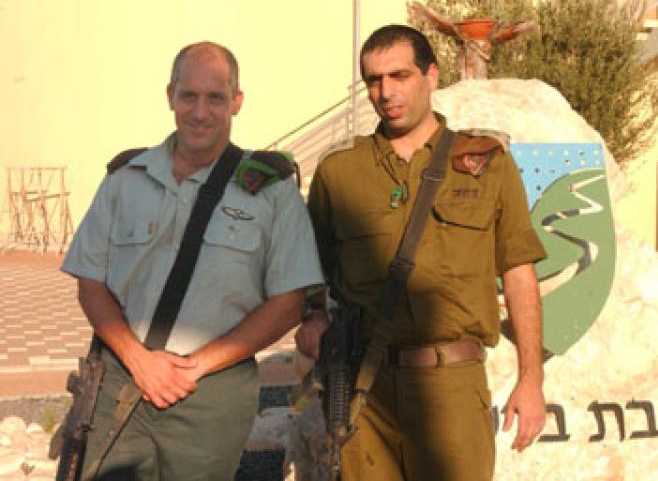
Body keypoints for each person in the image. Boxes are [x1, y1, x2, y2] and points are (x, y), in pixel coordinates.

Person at [62, 41, 323, 480]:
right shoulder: (125, 179)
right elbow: (90, 283)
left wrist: (195, 366)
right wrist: (139, 360)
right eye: (189, 96)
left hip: (210, 395)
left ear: (237, 101)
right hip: (121, 383)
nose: (200, 112)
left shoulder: (273, 192)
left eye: (215, 98)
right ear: (170, 96)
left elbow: (288, 303)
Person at [296, 25, 547, 480]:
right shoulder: (339, 172)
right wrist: (313, 315)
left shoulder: (487, 163)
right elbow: (311, 268)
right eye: (374, 80)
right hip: (365, 387)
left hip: (452, 385)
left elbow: (518, 273)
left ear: (431, 76)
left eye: (400, 75)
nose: (386, 92)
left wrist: (531, 380)